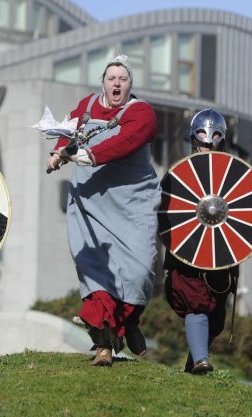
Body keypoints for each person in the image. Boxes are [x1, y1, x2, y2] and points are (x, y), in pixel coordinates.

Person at [47, 54, 161, 366]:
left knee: (139, 273)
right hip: (90, 204)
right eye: (111, 78)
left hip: (132, 204)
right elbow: (67, 131)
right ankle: (103, 348)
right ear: (103, 82)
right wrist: (58, 153)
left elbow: (123, 143)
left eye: (122, 79)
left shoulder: (142, 114)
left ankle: (130, 322)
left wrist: (85, 155)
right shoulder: (85, 107)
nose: (117, 83)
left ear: (129, 85)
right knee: (96, 273)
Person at [164, 108, 252, 374]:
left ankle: (194, 363)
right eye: (201, 136)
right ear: (194, 138)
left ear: (221, 139)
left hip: (220, 256)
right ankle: (201, 360)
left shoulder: (229, 174)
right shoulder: (182, 173)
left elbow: (251, 201)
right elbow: (166, 208)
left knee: (215, 316)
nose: (206, 142)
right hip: (187, 254)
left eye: (212, 137)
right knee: (196, 302)